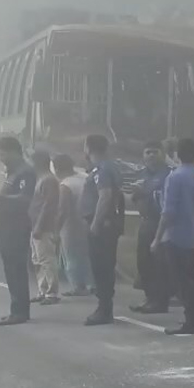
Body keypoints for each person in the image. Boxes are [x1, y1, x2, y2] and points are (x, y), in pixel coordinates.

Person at [0, 136, 36, 326]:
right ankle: (17, 309)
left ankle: (20, 311)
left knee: (16, 268)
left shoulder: (25, 172)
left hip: (17, 225)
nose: (1, 158)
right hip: (7, 224)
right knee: (10, 268)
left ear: (14, 152)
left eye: (3, 154)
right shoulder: (12, 173)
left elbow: (25, 199)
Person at [153, 137, 194, 336]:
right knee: (193, 278)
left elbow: (168, 211)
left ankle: (191, 320)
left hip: (177, 236)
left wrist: (157, 238)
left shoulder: (174, 177)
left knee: (182, 281)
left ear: (177, 154)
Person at [82, 134, 125, 326]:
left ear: (88, 148)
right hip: (108, 223)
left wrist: (96, 224)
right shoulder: (109, 167)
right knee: (103, 266)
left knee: (101, 266)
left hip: (103, 225)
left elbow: (105, 196)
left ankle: (104, 308)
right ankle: (104, 306)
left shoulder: (102, 169)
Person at [131, 142, 171, 315]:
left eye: (155, 152)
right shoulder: (141, 174)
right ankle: (149, 298)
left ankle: (160, 301)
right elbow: (133, 197)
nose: (151, 155)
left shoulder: (168, 174)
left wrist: (144, 191)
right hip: (145, 221)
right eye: (148, 152)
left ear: (162, 154)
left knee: (159, 264)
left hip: (161, 222)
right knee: (143, 261)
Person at [54, 154, 92, 297]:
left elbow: (63, 210)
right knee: (88, 255)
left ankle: (78, 286)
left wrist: (56, 230)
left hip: (72, 226)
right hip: (88, 221)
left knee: (71, 257)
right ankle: (91, 284)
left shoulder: (66, 185)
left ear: (57, 169)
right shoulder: (84, 176)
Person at [29, 150, 63, 306]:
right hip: (36, 225)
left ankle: (52, 293)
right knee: (38, 260)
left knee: (47, 260)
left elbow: (48, 205)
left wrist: (39, 226)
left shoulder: (48, 180)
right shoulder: (41, 179)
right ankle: (43, 290)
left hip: (44, 227)